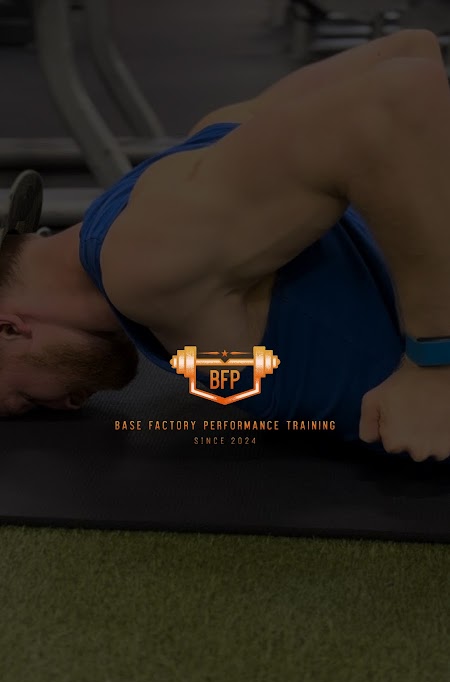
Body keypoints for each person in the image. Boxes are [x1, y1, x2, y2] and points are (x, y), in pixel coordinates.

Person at [1, 29, 449, 463]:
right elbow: (410, 48)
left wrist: (433, 365)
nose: (67, 405)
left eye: (23, 399)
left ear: (8, 328)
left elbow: (398, 100)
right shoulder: (196, 155)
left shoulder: (145, 261)